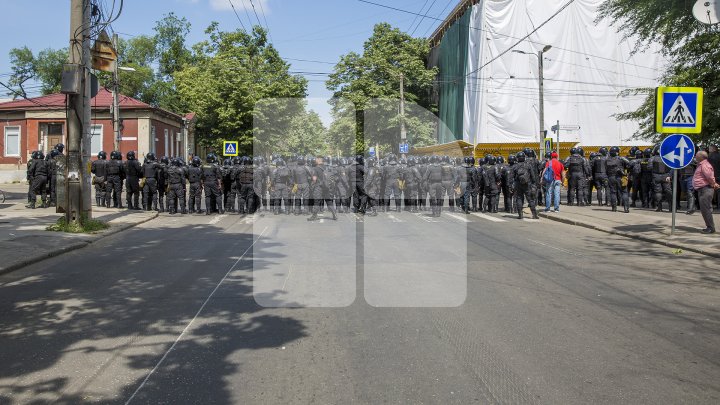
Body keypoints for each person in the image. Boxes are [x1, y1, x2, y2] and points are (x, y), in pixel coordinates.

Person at [692, 151, 719, 234]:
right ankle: (709, 226)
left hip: (706, 189)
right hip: (703, 189)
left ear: (701, 157)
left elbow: (710, 177)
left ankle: (710, 228)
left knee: (706, 209)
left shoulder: (705, 165)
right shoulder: (701, 164)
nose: (695, 157)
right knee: (705, 209)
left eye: (696, 155)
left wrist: (713, 183)